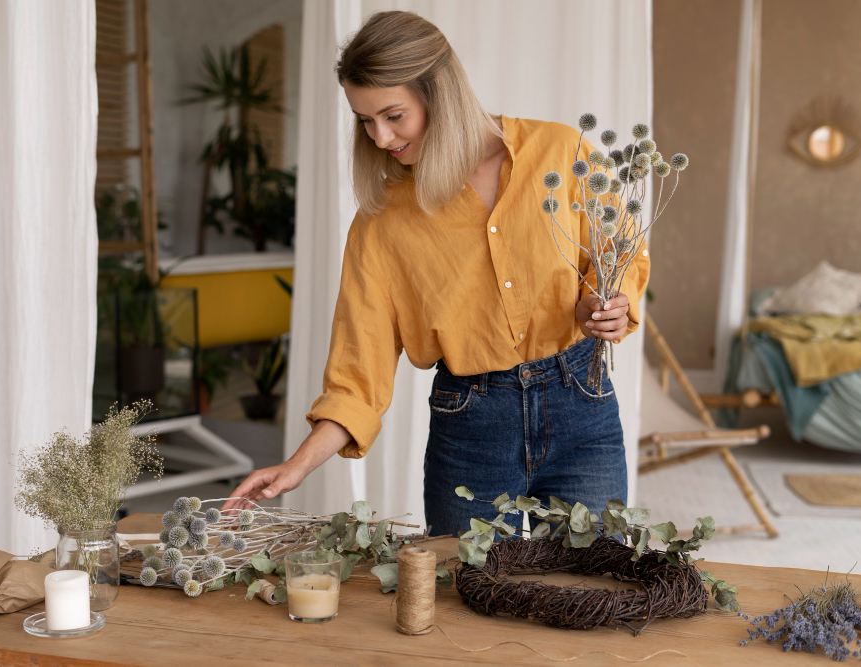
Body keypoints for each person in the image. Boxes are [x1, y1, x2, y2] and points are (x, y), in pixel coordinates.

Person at [226, 11, 649, 535]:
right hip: (471, 426)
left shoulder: (562, 152)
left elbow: (620, 253)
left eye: (393, 116)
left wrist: (609, 304)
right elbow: (358, 374)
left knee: (593, 591)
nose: (380, 138)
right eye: (365, 120)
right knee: (465, 601)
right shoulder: (382, 222)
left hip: (581, 406)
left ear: (439, 92)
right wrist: (296, 466)